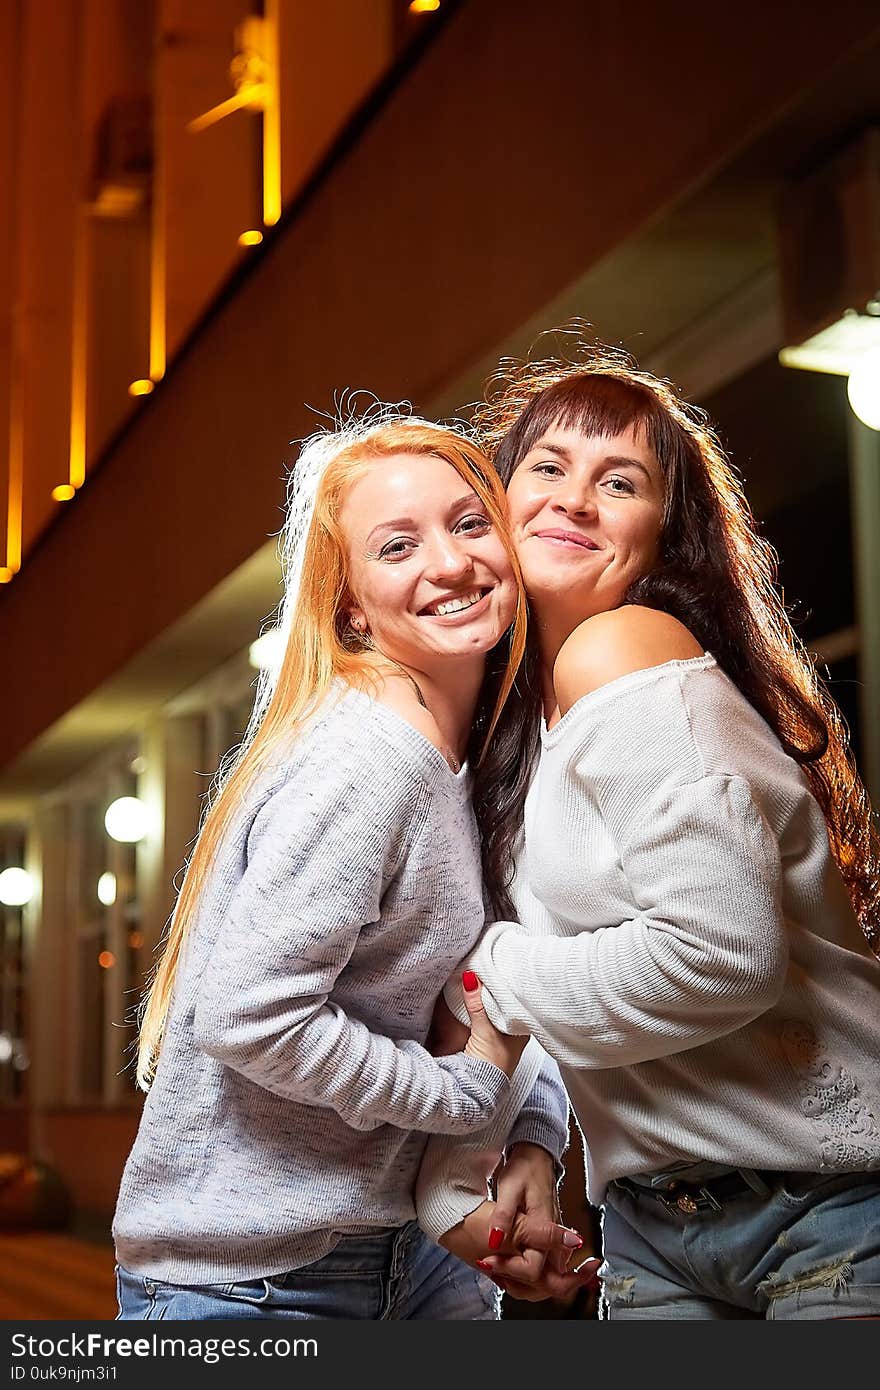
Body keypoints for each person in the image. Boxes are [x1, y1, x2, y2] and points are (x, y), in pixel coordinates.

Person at [425, 343, 880, 1319]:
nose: (573, 500)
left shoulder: (623, 649)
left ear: (663, 536)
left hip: (829, 1207)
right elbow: (566, 986)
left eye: (617, 482)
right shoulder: (523, 736)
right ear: (495, 503)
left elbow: (721, 957)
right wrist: (493, 1170)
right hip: (648, 1223)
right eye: (545, 467)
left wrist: (496, 966)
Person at [113, 410, 580, 1321]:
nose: (448, 564)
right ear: (350, 605)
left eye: (469, 523)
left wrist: (532, 1135)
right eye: (397, 545)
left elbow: (509, 975)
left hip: (412, 1256)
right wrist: (459, 1095)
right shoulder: (369, 759)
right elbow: (251, 1016)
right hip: (257, 1282)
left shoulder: (485, 760)